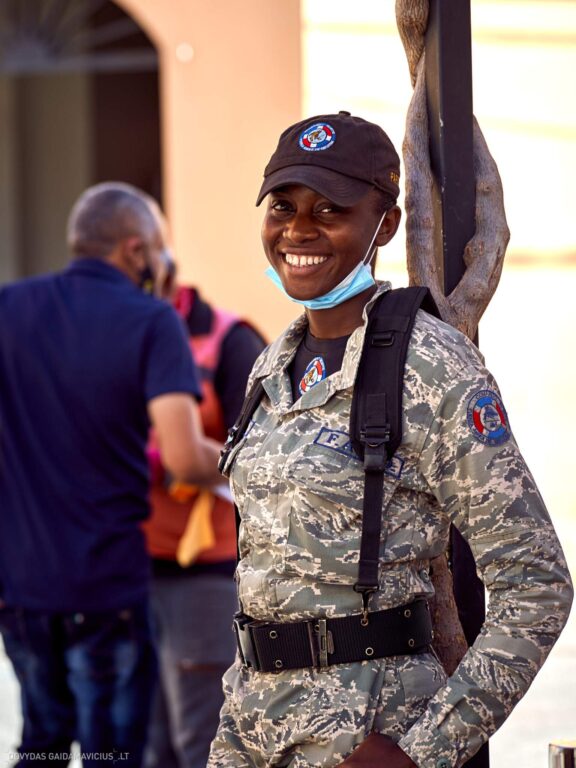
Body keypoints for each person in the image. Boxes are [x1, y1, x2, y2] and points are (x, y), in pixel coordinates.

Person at [207, 112, 574, 768]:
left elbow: (536, 582)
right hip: (251, 734)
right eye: (283, 206)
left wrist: (421, 752)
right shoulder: (270, 366)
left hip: (368, 739)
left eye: (330, 209)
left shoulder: (430, 364)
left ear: (386, 226)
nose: (298, 228)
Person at [0, 182, 223, 768]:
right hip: (106, 586)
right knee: (112, 754)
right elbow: (182, 457)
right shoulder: (153, 322)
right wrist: (246, 460)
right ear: (135, 250)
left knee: (41, 745)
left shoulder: (9, 306)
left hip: (21, 585)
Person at [142, 260, 266, 768]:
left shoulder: (230, 342)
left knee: (206, 745)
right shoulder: (122, 338)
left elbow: (265, 458)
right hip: (130, 572)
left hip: (204, 575)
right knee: (146, 748)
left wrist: (183, 457)